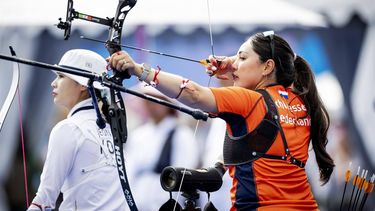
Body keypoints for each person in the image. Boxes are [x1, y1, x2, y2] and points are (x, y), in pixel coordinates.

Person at [108, 31, 335, 210]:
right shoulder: (299, 101)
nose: (234, 63)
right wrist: (237, 66)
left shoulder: (250, 100)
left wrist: (140, 71)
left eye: (242, 57)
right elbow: (256, 143)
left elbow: (194, 94)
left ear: (267, 67)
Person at [28, 49, 128, 210]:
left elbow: (44, 200)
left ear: (82, 84)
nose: (53, 83)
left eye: (61, 76)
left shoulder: (69, 128)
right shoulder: (109, 127)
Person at [124, 84, 199, 211]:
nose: (150, 105)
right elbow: (129, 172)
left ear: (168, 104)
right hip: (137, 201)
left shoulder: (181, 134)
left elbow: (184, 175)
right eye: (147, 100)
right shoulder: (138, 135)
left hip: (164, 202)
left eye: (155, 101)